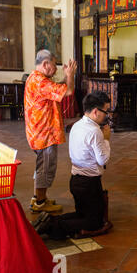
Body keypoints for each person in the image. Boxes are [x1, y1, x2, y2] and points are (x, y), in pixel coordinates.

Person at [33, 91, 112, 240]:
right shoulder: (95, 131)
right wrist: (106, 139)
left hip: (76, 181)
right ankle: (51, 227)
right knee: (94, 222)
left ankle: (49, 220)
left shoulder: (77, 125)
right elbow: (103, 160)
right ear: (96, 111)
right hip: (89, 183)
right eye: (106, 111)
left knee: (82, 214)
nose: (107, 115)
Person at [25, 49, 77, 213]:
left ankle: (38, 197)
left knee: (42, 166)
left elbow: (57, 88)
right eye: (55, 65)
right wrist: (71, 75)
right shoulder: (40, 82)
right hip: (44, 134)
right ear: (46, 64)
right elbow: (68, 91)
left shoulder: (36, 78)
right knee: (45, 167)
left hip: (39, 132)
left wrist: (67, 76)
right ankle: (40, 202)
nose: (56, 68)